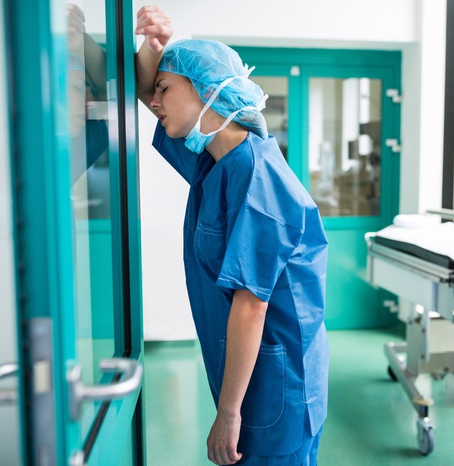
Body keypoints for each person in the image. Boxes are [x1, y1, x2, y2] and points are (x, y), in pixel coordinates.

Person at [135, 6, 329, 466]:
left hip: (277, 380)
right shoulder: (217, 162)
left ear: (208, 92)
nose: (155, 101)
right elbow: (147, 92)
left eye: (166, 89)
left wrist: (227, 412)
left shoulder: (257, 176)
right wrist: (154, 48)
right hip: (254, 370)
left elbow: (252, 302)